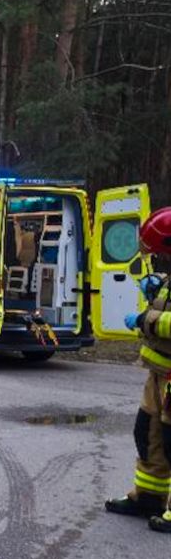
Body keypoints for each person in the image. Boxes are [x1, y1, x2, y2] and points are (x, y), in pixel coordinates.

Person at [108, 207, 171, 532]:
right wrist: (155, 289)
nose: (157, 259)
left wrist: (144, 320)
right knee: (147, 433)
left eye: (160, 252)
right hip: (158, 374)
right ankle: (148, 497)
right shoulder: (167, 279)